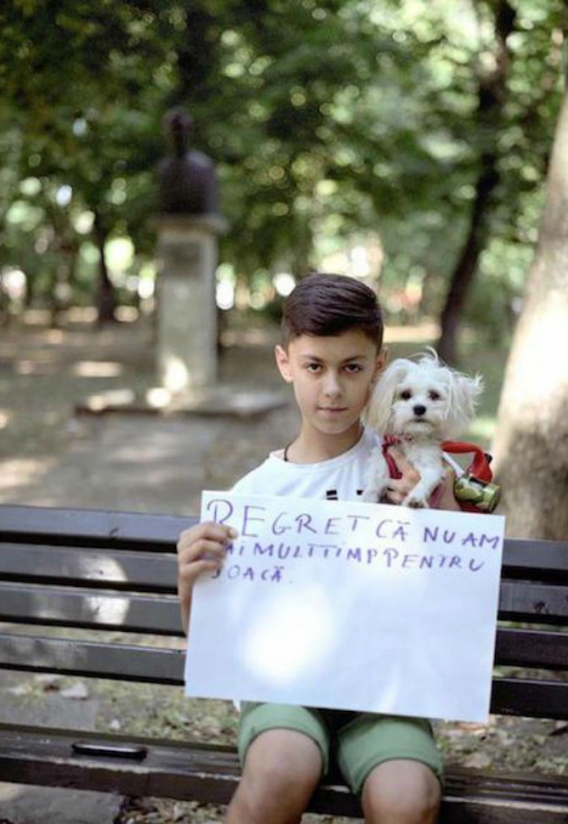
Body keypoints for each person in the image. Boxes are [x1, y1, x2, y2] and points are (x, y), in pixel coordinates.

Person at [177, 273, 461, 824]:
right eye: (314, 367)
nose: (332, 388)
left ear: (380, 367)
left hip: (386, 693)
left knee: (406, 798)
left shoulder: (416, 470)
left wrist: (440, 514)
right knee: (281, 769)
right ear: (286, 363)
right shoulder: (254, 498)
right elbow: (211, 643)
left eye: (351, 368)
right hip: (286, 691)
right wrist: (190, 582)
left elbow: (455, 595)